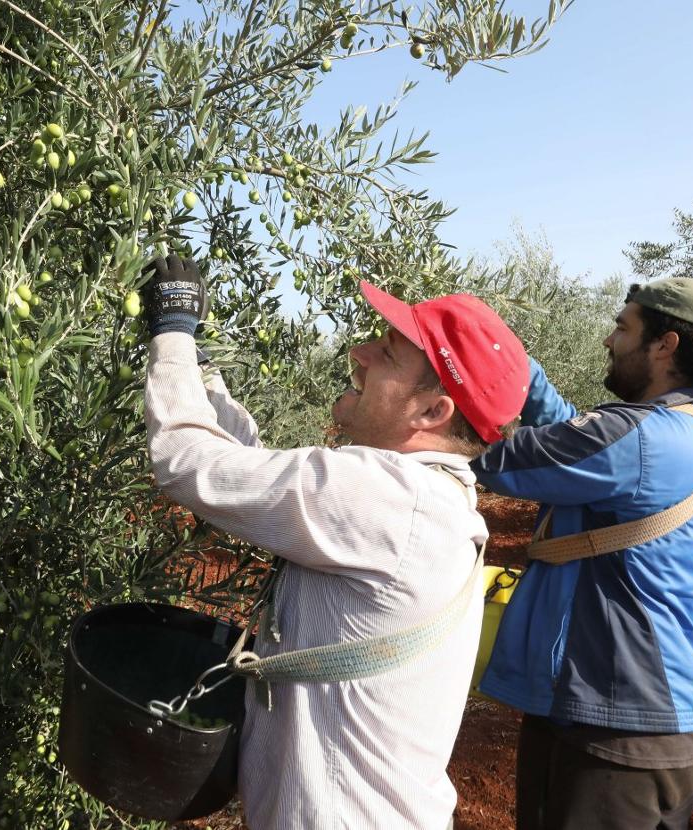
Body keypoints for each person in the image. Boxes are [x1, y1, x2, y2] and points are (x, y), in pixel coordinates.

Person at [141, 254, 530, 830]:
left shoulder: (388, 502)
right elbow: (246, 469)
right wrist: (201, 361)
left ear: (432, 409)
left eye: (388, 353)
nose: (360, 352)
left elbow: (186, 461)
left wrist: (171, 330)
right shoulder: (421, 500)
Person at [470, 277, 693, 830]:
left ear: (664, 345)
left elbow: (492, 456)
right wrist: (521, 370)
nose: (608, 340)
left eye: (622, 327)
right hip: (659, 711)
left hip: (621, 723)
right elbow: (583, 441)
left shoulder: (640, 439)